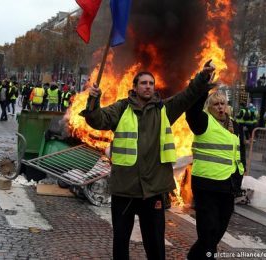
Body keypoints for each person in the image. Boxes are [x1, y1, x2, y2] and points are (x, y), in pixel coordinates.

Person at [81, 61, 215, 260]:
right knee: (120, 242)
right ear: (134, 87)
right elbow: (98, 119)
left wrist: (202, 77)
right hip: (125, 190)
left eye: (151, 83)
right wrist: (93, 102)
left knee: (155, 245)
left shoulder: (164, 110)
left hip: (153, 191)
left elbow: (187, 96)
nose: (148, 86)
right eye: (143, 83)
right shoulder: (121, 108)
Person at [186, 91, 245, 260]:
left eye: (223, 103)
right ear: (209, 107)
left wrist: (240, 177)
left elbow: (239, 153)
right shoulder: (203, 121)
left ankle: (194, 256)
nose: (220, 107)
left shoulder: (234, 125)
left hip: (228, 185)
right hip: (206, 185)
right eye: (216, 104)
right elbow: (192, 112)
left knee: (219, 229)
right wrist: (202, 86)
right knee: (208, 229)